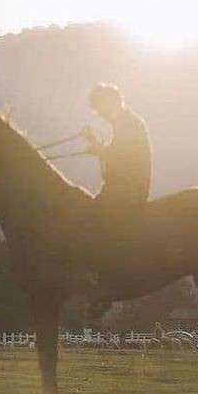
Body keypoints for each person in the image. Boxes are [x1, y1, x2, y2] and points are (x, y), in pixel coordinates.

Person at [79, 84, 152, 318]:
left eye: (100, 108)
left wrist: (98, 148)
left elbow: (121, 159)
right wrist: (99, 148)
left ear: (112, 102)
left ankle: (104, 284)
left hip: (126, 191)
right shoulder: (125, 123)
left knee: (91, 221)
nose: (99, 113)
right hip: (123, 188)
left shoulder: (127, 124)